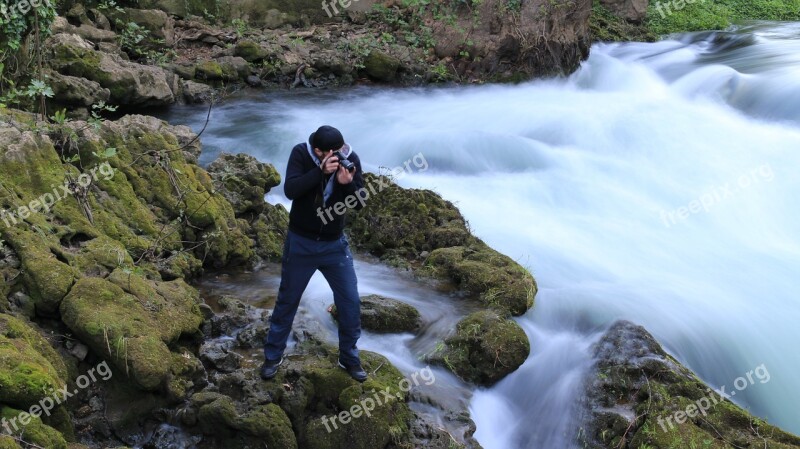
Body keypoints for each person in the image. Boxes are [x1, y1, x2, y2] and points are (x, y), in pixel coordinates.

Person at [261, 125, 367, 382]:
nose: (337, 156)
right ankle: (273, 356)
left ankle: (349, 357)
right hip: (301, 243)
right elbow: (291, 190)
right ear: (318, 151)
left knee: (350, 302)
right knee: (287, 301)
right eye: (330, 153)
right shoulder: (301, 154)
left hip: (334, 245)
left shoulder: (350, 158)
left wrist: (346, 184)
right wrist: (319, 173)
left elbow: (360, 201)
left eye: (340, 150)